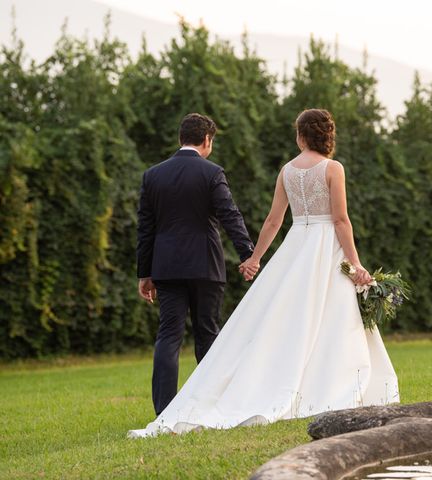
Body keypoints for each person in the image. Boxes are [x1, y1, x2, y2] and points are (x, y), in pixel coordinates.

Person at [128, 108, 399, 437]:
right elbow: (340, 220)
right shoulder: (332, 168)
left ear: (300, 136)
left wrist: (255, 258)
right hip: (320, 248)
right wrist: (356, 264)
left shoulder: (286, 170)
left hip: (291, 248)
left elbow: (273, 221)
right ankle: (322, 383)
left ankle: (179, 404)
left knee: (274, 321)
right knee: (330, 317)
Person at [136, 113, 256, 416]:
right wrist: (248, 256)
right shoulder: (212, 172)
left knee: (169, 335)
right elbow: (230, 216)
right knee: (207, 333)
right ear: (207, 140)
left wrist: (144, 273)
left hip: (166, 267)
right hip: (205, 265)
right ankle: (209, 406)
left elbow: (145, 228)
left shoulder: (153, 175)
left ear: (180, 138)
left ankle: (164, 411)